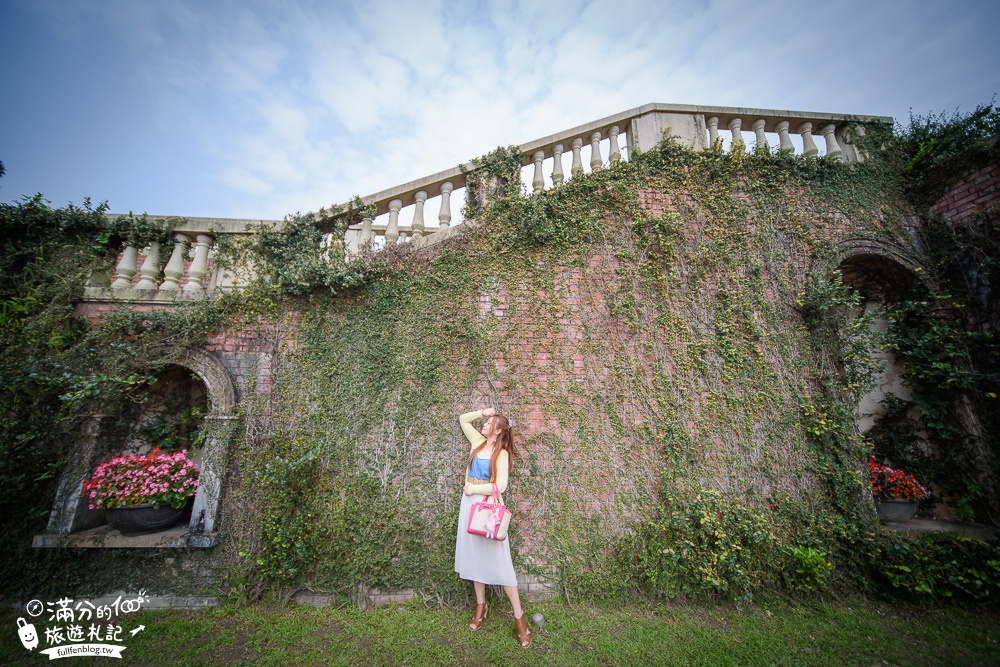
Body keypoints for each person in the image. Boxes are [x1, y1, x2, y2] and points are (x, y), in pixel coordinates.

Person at [454, 407, 531, 648]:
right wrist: (482, 411)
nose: (485, 425)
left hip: (487, 510)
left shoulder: (502, 454)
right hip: (469, 506)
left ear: (498, 431)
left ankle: (519, 618)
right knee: (475, 556)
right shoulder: (477, 442)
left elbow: (501, 486)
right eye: (485, 422)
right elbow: (462, 419)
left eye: (489, 423)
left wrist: (474, 489)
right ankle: (481, 606)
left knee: (501, 563)